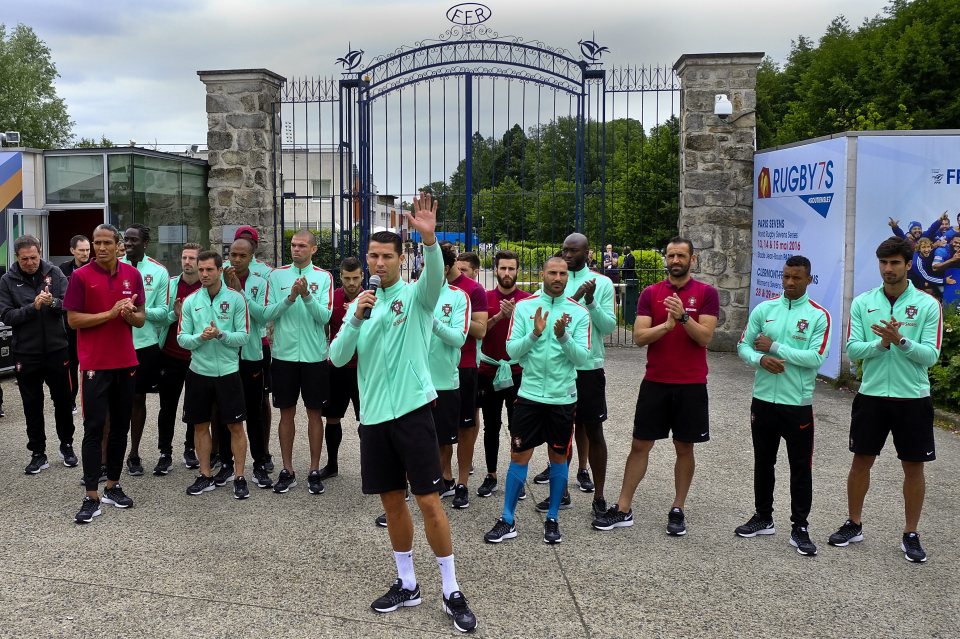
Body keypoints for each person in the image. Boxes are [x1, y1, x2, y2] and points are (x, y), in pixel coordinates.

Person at [329, 193, 477, 633]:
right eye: (372, 256)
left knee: (429, 500)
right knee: (392, 501)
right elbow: (337, 358)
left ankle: (450, 590)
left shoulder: (417, 297)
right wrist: (354, 319)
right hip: (374, 418)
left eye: (386, 256)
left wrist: (429, 241)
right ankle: (407, 582)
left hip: (412, 412)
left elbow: (434, 278)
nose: (378, 263)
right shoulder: (361, 307)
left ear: (400, 259)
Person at [592, 237, 718, 536]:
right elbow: (639, 336)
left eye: (681, 256)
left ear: (692, 260)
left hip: (691, 383)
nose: (675, 260)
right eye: (671, 255)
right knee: (639, 445)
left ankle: (678, 508)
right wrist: (666, 326)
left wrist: (684, 316)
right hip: (655, 381)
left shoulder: (706, 293)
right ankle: (623, 508)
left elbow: (705, 337)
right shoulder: (652, 293)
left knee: (684, 446)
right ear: (666, 259)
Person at [829, 236, 943, 564]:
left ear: (908, 265)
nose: (888, 269)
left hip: (912, 398)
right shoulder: (864, 302)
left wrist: (901, 340)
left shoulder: (926, 304)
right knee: (861, 461)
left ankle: (910, 533)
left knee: (913, 466)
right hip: (872, 395)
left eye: (895, 263)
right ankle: (854, 523)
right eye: (883, 263)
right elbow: (853, 349)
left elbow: (930, 356)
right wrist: (880, 346)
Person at [483, 256, 591, 546]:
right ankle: (507, 519)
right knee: (519, 456)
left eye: (563, 273)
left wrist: (563, 337)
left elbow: (583, 358)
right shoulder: (526, 307)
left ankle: (552, 518)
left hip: (562, 398)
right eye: (553, 272)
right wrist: (535, 333)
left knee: (558, 457)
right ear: (542, 274)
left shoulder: (578, 313)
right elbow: (512, 352)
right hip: (529, 396)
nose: (558, 278)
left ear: (568, 277)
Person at [735, 255, 831, 556]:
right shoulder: (765, 310)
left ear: (809, 279)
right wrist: (759, 359)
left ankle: (800, 527)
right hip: (763, 400)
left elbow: (816, 358)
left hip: (797, 404)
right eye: (786, 276)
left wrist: (775, 348)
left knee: (801, 467)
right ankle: (763, 517)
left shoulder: (818, 316)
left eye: (797, 278)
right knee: (764, 462)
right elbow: (743, 346)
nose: (790, 283)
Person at [64, 224, 145, 524]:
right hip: (95, 366)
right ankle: (91, 495)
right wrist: (109, 314)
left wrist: (129, 314)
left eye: (106, 242)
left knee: (121, 428)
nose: (100, 248)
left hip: (126, 363)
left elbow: (141, 319)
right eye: (96, 243)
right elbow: (73, 320)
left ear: (117, 244)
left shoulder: (132, 275)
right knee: (94, 429)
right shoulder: (80, 276)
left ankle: (113, 485)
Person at [263, 229, 333, 494]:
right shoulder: (277, 275)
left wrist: (306, 296)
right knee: (286, 412)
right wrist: (291, 298)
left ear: (313, 249)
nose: (296, 249)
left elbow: (325, 317)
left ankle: (314, 469)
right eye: (293, 245)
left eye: (302, 246)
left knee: (315, 413)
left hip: (314, 356)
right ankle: (288, 469)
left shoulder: (323, 277)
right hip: (284, 355)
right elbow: (269, 313)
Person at [177, 251, 250, 498]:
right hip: (199, 372)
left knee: (235, 426)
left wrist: (220, 334)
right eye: (201, 270)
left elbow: (244, 336)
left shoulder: (237, 300)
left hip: (228, 372)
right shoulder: (190, 301)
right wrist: (201, 337)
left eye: (209, 270)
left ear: (220, 270)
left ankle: (239, 476)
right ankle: (205, 475)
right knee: (200, 425)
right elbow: (182, 338)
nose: (205, 274)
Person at [0, 235, 76, 474]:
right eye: (25, 259)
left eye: (34, 257)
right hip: (26, 352)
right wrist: (32, 308)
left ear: (40, 252)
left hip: (57, 350)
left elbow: (69, 304)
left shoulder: (54, 272)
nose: (31, 262)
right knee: (31, 404)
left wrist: (52, 302)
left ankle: (67, 445)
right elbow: (7, 315)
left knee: (63, 401)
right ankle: (38, 452)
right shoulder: (7, 280)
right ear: (17, 257)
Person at [476, 250, 530, 498]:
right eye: (502, 268)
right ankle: (491, 474)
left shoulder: (528, 300)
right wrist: (499, 316)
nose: (507, 273)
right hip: (489, 370)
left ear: (517, 270)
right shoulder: (484, 298)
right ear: (495, 270)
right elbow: (478, 332)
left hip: (518, 372)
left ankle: (515, 475)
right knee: (491, 426)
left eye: (511, 268)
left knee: (518, 426)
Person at [220, 238, 272, 489]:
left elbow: (262, 316)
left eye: (242, 255)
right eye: (233, 254)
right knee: (224, 412)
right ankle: (226, 463)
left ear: (252, 257)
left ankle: (260, 463)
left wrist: (238, 291)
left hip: (251, 355)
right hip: (224, 357)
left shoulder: (260, 283)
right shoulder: (217, 281)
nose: (236, 260)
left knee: (254, 411)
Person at [121, 224, 171, 476]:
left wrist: (139, 312)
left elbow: (164, 314)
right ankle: (108, 457)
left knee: (138, 400)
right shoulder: (113, 266)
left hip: (144, 347)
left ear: (145, 242)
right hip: (114, 345)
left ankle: (134, 453)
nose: (128, 244)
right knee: (110, 403)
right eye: (125, 240)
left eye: (133, 240)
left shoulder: (158, 271)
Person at [441, 246, 487, 509]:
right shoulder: (428, 286)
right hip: (435, 368)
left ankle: (462, 483)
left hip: (465, 364)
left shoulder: (473, 290)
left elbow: (480, 330)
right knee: (441, 429)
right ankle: (445, 477)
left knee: (466, 427)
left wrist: (458, 318)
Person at [153, 244, 202, 474]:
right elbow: (158, 319)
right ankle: (165, 452)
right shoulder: (172, 284)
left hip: (196, 357)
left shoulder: (207, 285)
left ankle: (190, 448)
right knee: (167, 406)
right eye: (184, 257)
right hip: (170, 355)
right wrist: (174, 314)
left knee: (193, 406)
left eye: (192, 258)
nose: (187, 262)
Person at [318, 257, 364, 480]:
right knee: (332, 417)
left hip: (364, 368)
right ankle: (332, 464)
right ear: (341, 277)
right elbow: (324, 327)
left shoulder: (372, 298)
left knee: (367, 420)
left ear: (362, 276)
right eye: (347, 278)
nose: (352, 283)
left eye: (356, 278)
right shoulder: (333, 297)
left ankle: (371, 467)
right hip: (336, 367)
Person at [431, 244, 470, 504]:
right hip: (413, 381)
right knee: (415, 438)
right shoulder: (412, 293)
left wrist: (433, 323)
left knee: (444, 439)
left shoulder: (458, 297)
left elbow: (458, 338)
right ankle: (423, 484)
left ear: (444, 269)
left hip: (444, 380)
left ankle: (440, 483)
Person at [59, 234, 91, 412]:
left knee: (89, 366)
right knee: (71, 365)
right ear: (72, 251)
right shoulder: (62, 270)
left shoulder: (96, 268)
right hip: (69, 326)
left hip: (90, 324)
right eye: (81, 250)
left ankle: (90, 399)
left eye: (87, 250)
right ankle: (71, 400)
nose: (85, 253)